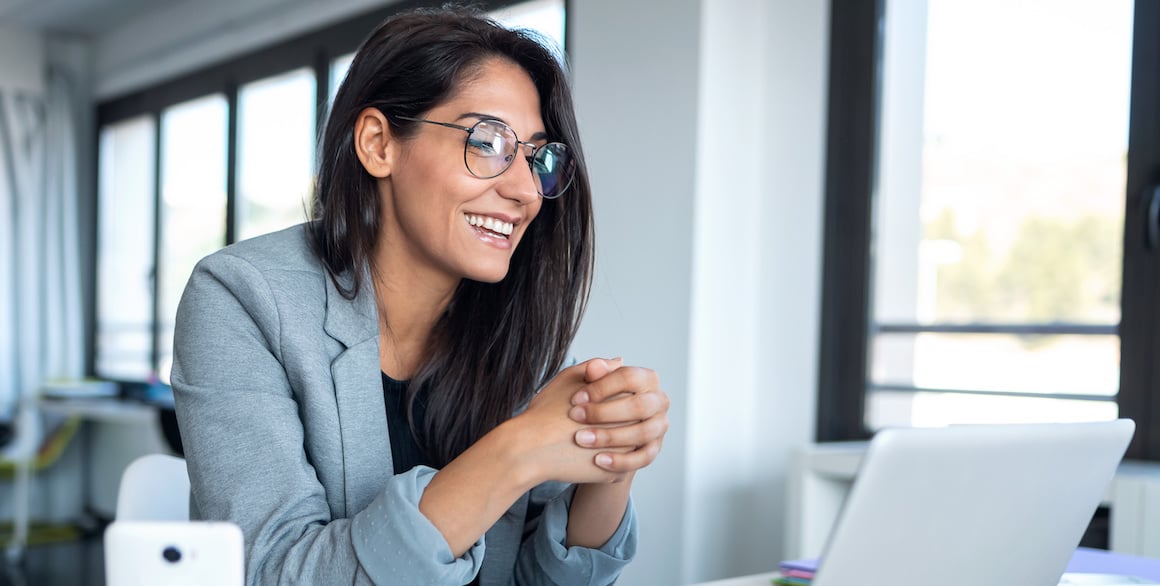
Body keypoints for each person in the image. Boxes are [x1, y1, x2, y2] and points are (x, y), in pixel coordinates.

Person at [170, 6, 670, 585]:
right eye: (487, 142)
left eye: (538, 157)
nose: (526, 190)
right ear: (380, 143)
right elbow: (273, 573)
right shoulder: (241, 297)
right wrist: (517, 452)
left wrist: (609, 458)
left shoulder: (511, 323)